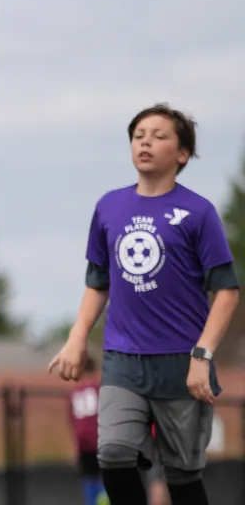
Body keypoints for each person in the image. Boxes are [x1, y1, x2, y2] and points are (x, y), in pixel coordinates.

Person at [49, 103, 239, 505]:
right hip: (122, 360)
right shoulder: (109, 207)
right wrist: (76, 338)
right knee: (114, 455)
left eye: (158, 135)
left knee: (182, 475)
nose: (145, 142)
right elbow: (97, 281)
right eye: (138, 136)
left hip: (181, 363)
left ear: (182, 153)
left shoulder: (199, 212)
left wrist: (202, 356)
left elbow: (226, 290)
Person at [69, 354, 106, 505]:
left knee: (89, 481)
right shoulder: (101, 390)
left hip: (84, 445)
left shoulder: (74, 393)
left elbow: (74, 424)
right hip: (102, 441)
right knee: (107, 481)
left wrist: (75, 449)